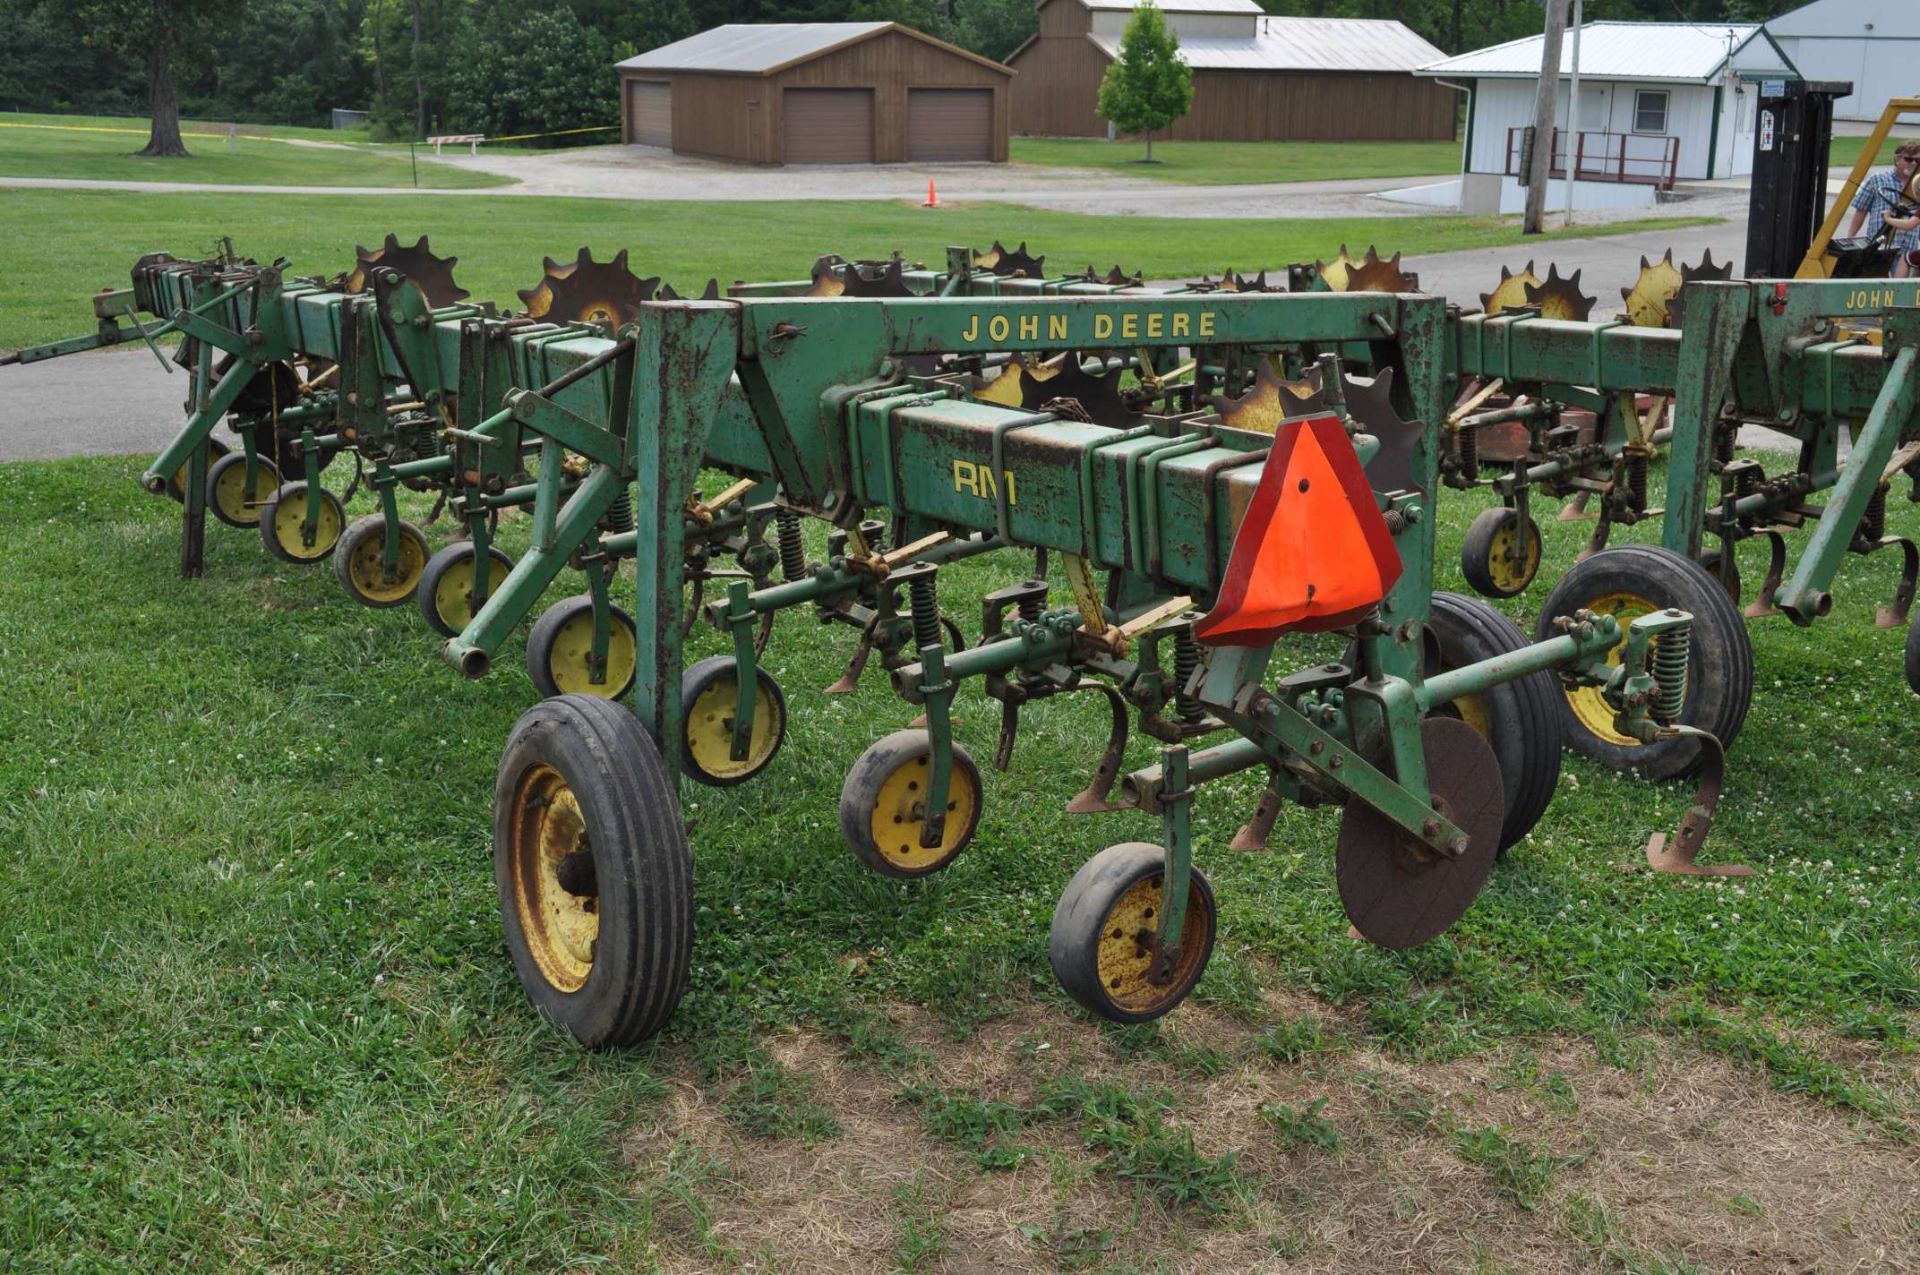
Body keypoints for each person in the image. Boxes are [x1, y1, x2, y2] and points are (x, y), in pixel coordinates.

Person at [1846, 142, 1920, 278]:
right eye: (1909, 159)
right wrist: (1850, 237)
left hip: (1908, 248)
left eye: (1918, 160)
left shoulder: (1918, 185)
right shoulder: (1878, 179)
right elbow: (1860, 211)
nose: (1914, 164)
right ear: (1897, 160)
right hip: (1879, 247)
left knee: (1902, 293)